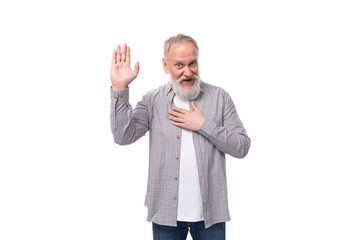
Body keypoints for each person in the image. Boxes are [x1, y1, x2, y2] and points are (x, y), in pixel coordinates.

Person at [109, 34, 251, 240]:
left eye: (192, 63)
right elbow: (123, 136)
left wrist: (203, 124)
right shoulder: (152, 101)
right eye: (179, 65)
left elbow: (242, 147)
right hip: (166, 214)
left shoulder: (220, 97)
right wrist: (120, 89)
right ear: (166, 66)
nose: (188, 72)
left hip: (211, 214)